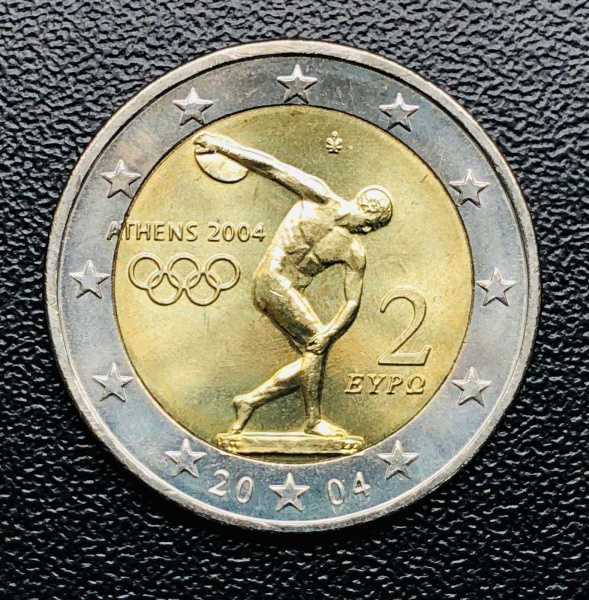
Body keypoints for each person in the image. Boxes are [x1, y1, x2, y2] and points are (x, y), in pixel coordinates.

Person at [194, 132, 393, 438]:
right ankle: (311, 421)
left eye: (373, 229)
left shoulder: (353, 252)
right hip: (271, 279)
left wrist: (330, 334)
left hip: (285, 290)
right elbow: (271, 167)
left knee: (314, 353)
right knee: (315, 346)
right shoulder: (319, 197)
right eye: (371, 224)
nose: (367, 231)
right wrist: (222, 146)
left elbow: (352, 302)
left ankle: (250, 401)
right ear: (365, 209)